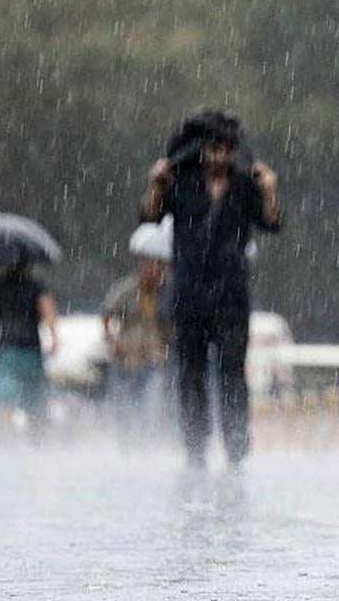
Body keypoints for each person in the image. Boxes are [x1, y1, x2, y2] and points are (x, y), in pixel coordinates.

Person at [140, 107, 281, 470]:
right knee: (190, 372)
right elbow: (148, 216)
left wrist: (269, 191)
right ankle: (195, 447)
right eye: (213, 147)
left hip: (232, 293)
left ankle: (236, 446)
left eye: (226, 147)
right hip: (188, 292)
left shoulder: (247, 184)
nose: (220, 154)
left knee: (233, 370)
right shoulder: (179, 182)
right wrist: (155, 184)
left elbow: (272, 223)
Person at [101, 249, 171, 449]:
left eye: (159, 266)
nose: (154, 270)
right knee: (124, 407)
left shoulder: (167, 293)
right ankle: (127, 447)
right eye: (150, 265)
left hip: (154, 358)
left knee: (151, 406)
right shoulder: (127, 289)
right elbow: (107, 313)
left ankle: (147, 446)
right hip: (126, 358)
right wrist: (112, 340)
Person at [0, 261, 59, 443]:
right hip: (31, 349)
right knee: (35, 402)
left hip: (7, 350)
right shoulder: (35, 286)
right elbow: (46, 309)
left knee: (5, 401)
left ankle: (5, 442)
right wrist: (54, 337)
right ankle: (37, 442)